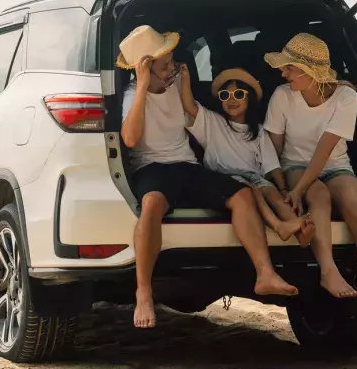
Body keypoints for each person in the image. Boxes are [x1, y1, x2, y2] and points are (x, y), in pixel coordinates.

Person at [118, 25, 298, 329]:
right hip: (152, 169)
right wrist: (142, 87)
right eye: (165, 65)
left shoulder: (176, 84)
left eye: (172, 61)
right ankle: (144, 293)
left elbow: (191, 112)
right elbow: (131, 139)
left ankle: (265, 274)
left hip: (187, 165)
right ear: (145, 69)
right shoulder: (131, 95)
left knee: (242, 194)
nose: (173, 68)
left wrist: (182, 81)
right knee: (151, 206)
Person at [263, 32, 357, 332]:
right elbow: (273, 146)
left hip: (335, 164)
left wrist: (298, 190)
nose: (283, 73)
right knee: (320, 196)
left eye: (289, 68)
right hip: (295, 165)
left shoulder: (346, 97)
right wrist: (280, 186)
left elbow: (326, 150)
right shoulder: (282, 96)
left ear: (310, 73)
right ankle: (328, 270)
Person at [177, 63, 314, 245]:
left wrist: (283, 190)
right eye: (225, 95)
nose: (232, 100)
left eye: (239, 94)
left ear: (250, 99)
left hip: (255, 177)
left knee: (273, 195)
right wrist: (185, 79)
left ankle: (301, 231)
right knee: (253, 191)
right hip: (227, 179)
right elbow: (189, 105)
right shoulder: (212, 122)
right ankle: (279, 226)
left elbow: (272, 165)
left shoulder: (258, 131)